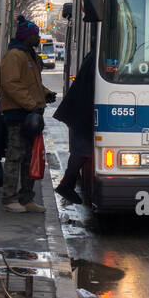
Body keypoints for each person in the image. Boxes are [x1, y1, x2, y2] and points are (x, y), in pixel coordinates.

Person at [0, 17, 55, 213]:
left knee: (29, 157)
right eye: (35, 34)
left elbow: (32, 85)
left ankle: (26, 197)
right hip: (18, 114)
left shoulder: (28, 55)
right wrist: (31, 104)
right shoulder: (15, 56)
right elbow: (11, 84)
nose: (38, 37)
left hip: (31, 115)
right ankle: (9, 198)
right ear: (26, 36)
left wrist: (45, 94)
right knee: (15, 155)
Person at [54, 49, 96, 206]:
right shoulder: (97, 58)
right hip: (82, 112)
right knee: (82, 150)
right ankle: (66, 185)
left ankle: (67, 184)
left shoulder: (93, 56)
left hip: (80, 110)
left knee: (82, 149)